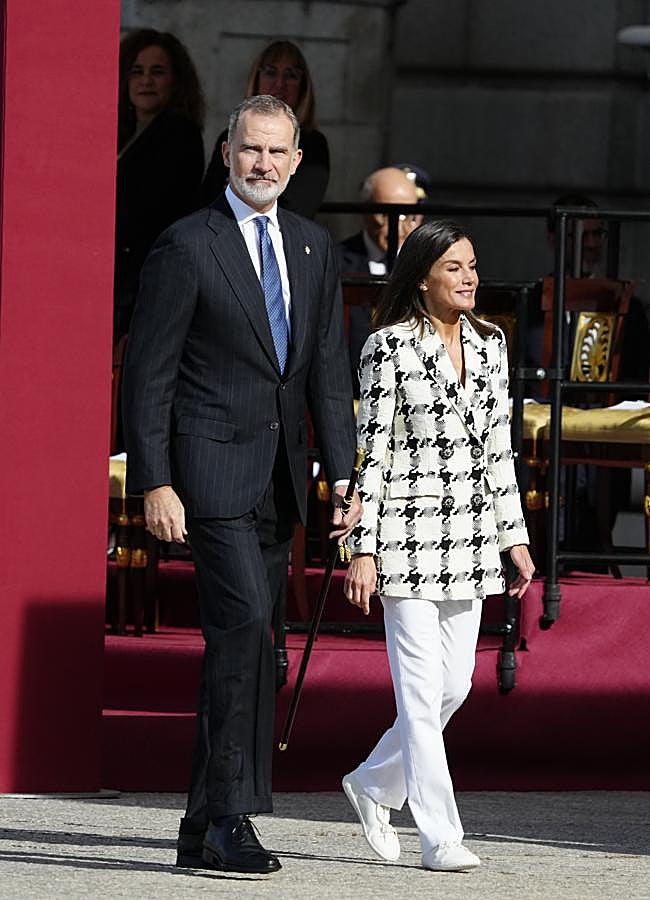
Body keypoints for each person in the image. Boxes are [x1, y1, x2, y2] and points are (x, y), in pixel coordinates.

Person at [121, 94, 360, 875]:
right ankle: (230, 816)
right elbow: (147, 377)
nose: (262, 164)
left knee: (250, 644)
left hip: (281, 483)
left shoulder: (316, 248)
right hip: (209, 477)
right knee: (248, 633)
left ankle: (199, 825)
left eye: (276, 153)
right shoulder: (188, 245)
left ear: (296, 162)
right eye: (249, 150)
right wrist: (154, 480)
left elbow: (327, 374)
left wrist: (349, 474)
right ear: (227, 154)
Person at [341, 220, 535, 872]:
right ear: (423, 275)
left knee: (456, 686)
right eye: (454, 267)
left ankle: (374, 783)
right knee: (421, 696)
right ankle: (441, 836)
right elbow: (373, 456)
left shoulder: (491, 345)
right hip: (404, 538)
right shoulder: (386, 348)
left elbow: (500, 450)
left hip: (470, 540)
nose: (469, 278)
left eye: (473, 266)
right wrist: (361, 548)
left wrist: (515, 536)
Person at [114, 28, 205, 342]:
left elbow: (152, 209)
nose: (146, 81)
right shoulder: (119, 132)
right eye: (137, 71)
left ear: (176, 81)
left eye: (158, 72)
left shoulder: (179, 134)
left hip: (146, 282)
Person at [201, 40, 329, 218]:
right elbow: (208, 198)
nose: (279, 83)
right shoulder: (230, 135)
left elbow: (299, 209)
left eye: (291, 75)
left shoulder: (314, 144)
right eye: (270, 72)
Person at [338, 167, 421, 396]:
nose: (400, 225)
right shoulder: (336, 262)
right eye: (386, 214)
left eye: (409, 215)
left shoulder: (430, 264)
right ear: (366, 212)